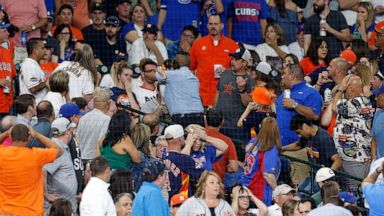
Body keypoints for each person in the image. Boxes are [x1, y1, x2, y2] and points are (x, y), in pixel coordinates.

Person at [0, 124, 63, 215]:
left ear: (10, 137)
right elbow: (59, 150)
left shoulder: (2, 154)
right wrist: (37, 135)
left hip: (5, 211)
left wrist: (5, 133)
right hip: (31, 211)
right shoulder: (35, 155)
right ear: (29, 137)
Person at [332, 76, 374, 191]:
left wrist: (340, 90)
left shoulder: (359, 101)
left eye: (346, 88)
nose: (345, 91)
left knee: (355, 193)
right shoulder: (353, 102)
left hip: (356, 159)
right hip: (352, 158)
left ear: (350, 89)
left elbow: (335, 107)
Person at [189, 13, 238, 107]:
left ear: (222, 25)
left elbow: (238, 70)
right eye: (210, 24)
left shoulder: (232, 45)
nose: (213, 27)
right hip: (201, 96)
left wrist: (227, 72)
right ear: (207, 26)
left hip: (224, 96)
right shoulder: (198, 44)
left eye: (216, 24)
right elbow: (191, 69)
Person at [288, 114, 342, 194]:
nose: (299, 135)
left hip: (324, 179)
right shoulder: (307, 136)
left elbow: (338, 161)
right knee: (298, 192)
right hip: (313, 175)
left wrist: (326, 176)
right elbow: (298, 145)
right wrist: (281, 149)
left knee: (304, 194)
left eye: (299, 132)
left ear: (305, 126)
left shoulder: (324, 138)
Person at [215, 45, 254, 143]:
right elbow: (218, 93)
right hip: (220, 125)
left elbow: (250, 104)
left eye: (236, 59)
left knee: (238, 154)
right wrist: (214, 112)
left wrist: (242, 90)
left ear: (244, 63)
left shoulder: (249, 80)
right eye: (232, 58)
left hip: (237, 127)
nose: (232, 61)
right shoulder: (225, 74)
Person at [239, 117, 281, 206]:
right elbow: (267, 174)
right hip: (258, 193)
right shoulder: (270, 147)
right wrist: (278, 192)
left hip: (244, 187)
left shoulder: (253, 141)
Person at [156, 55, 204, 127]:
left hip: (182, 118)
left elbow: (155, 75)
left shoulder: (172, 75)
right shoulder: (194, 77)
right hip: (199, 116)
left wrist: (160, 68)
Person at [43, 117, 77, 213]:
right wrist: (46, 194)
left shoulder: (61, 146)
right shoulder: (56, 149)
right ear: (66, 132)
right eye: (71, 130)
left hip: (64, 206)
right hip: (58, 209)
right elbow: (42, 171)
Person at [1, 0, 48, 64]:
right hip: (11, 43)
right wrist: (11, 27)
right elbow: (1, 17)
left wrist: (32, 27)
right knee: (11, 71)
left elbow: (44, 19)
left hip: (32, 47)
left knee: (32, 72)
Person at [163, 124, 204, 198]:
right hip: (180, 202)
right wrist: (188, 144)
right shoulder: (185, 159)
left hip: (165, 199)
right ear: (180, 139)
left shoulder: (162, 157)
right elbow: (201, 177)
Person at [77, 87, 111, 164]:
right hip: (94, 160)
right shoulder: (106, 119)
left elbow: (77, 139)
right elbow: (101, 142)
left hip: (81, 159)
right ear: (108, 103)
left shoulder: (83, 118)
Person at [205, 109, 238, 183]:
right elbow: (234, 167)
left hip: (198, 181)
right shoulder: (227, 141)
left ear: (205, 121)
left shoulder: (197, 137)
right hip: (218, 182)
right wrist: (223, 168)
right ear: (222, 122)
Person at [19, 38, 48, 104]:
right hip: (31, 106)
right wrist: (47, 82)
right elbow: (33, 88)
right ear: (35, 51)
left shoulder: (32, 64)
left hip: (34, 105)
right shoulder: (29, 65)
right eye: (42, 48)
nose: (45, 50)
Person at [0, 22, 16, 118]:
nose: (8, 33)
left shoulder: (6, 51)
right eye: (5, 31)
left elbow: (12, 75)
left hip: (8, 104)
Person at [372, 85, 384, 161]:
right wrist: (373, 160)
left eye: (378, 95)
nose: (376, 98)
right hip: (379, 162)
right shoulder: (377, 114)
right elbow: (374, 139)